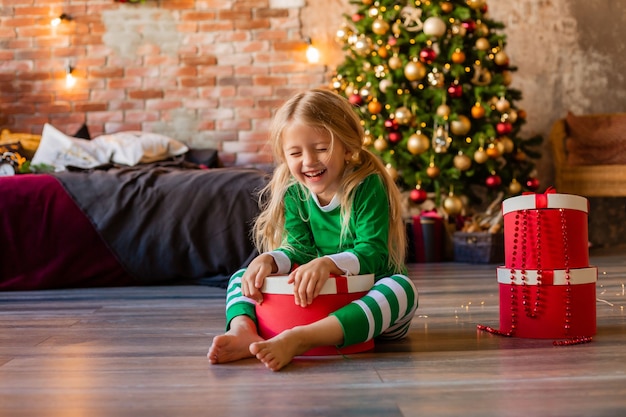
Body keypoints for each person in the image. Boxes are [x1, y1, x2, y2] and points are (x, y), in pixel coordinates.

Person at [207, 88, 418, 371]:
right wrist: (270, 260)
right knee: (241, 278)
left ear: (347, 147)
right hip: (322, 304)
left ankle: (302, 338)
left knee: (402, 288)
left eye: (321, 149)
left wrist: (328, 264)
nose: (308, 161)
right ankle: (243, 330)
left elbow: (373, 252)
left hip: (370, 306)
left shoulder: (367, 184)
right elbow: (299, 249)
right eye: (295, 153)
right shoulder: (295, 192)